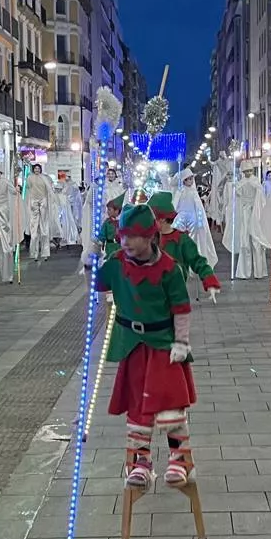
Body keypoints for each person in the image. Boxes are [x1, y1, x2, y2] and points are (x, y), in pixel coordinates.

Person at [96, 202, 198, 489]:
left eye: (133, 236)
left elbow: (181, 308)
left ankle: (179, 457)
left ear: (150, 237)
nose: (126, 242)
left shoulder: (169, 269)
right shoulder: (117, 262)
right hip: (133, 346)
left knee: (169, 407)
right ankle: (140, 461)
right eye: (122, 236)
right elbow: (97, 284)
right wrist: (90, 260)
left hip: (164, 346)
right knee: (138, 407)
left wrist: (181, 341)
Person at [147, 192, 223, 299]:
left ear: (162, 219)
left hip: (175, 294)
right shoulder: (149, 239)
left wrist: (210, 281)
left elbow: (198, 262)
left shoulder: (182, 240)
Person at [223, 170, 270, 279]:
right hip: (244, 213)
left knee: (256, 241)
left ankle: (259, 271)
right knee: (245, 241)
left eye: (250, 170)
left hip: (255, 213)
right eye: (246, 171)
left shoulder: (256, 182)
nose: (248, 172)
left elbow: (261, 198)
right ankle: (244, 271)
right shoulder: (241, 182)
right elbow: (236, 198)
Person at [173, 168, 219, 273]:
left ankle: (194, 261)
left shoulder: (194, 192)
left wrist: (200, 220)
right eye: (188, 179)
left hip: (193, 219)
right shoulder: (180, 191)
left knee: (194, 239)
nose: (190, 181)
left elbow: (199, 208)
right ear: (184, 180)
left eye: (191, 179)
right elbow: (175, 204)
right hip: (182, 216)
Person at [24, 164, 56, 261]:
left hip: (43, 202)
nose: (37, 170)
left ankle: (45, 253)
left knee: (44, 229)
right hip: (34, 202)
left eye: (38, 168)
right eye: (35, 168)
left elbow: (49, 190)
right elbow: (29, 188)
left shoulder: (45, 178)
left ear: (40, 169)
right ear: (33, 169)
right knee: (34, 229)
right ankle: (34, 253)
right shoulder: (29, 178)